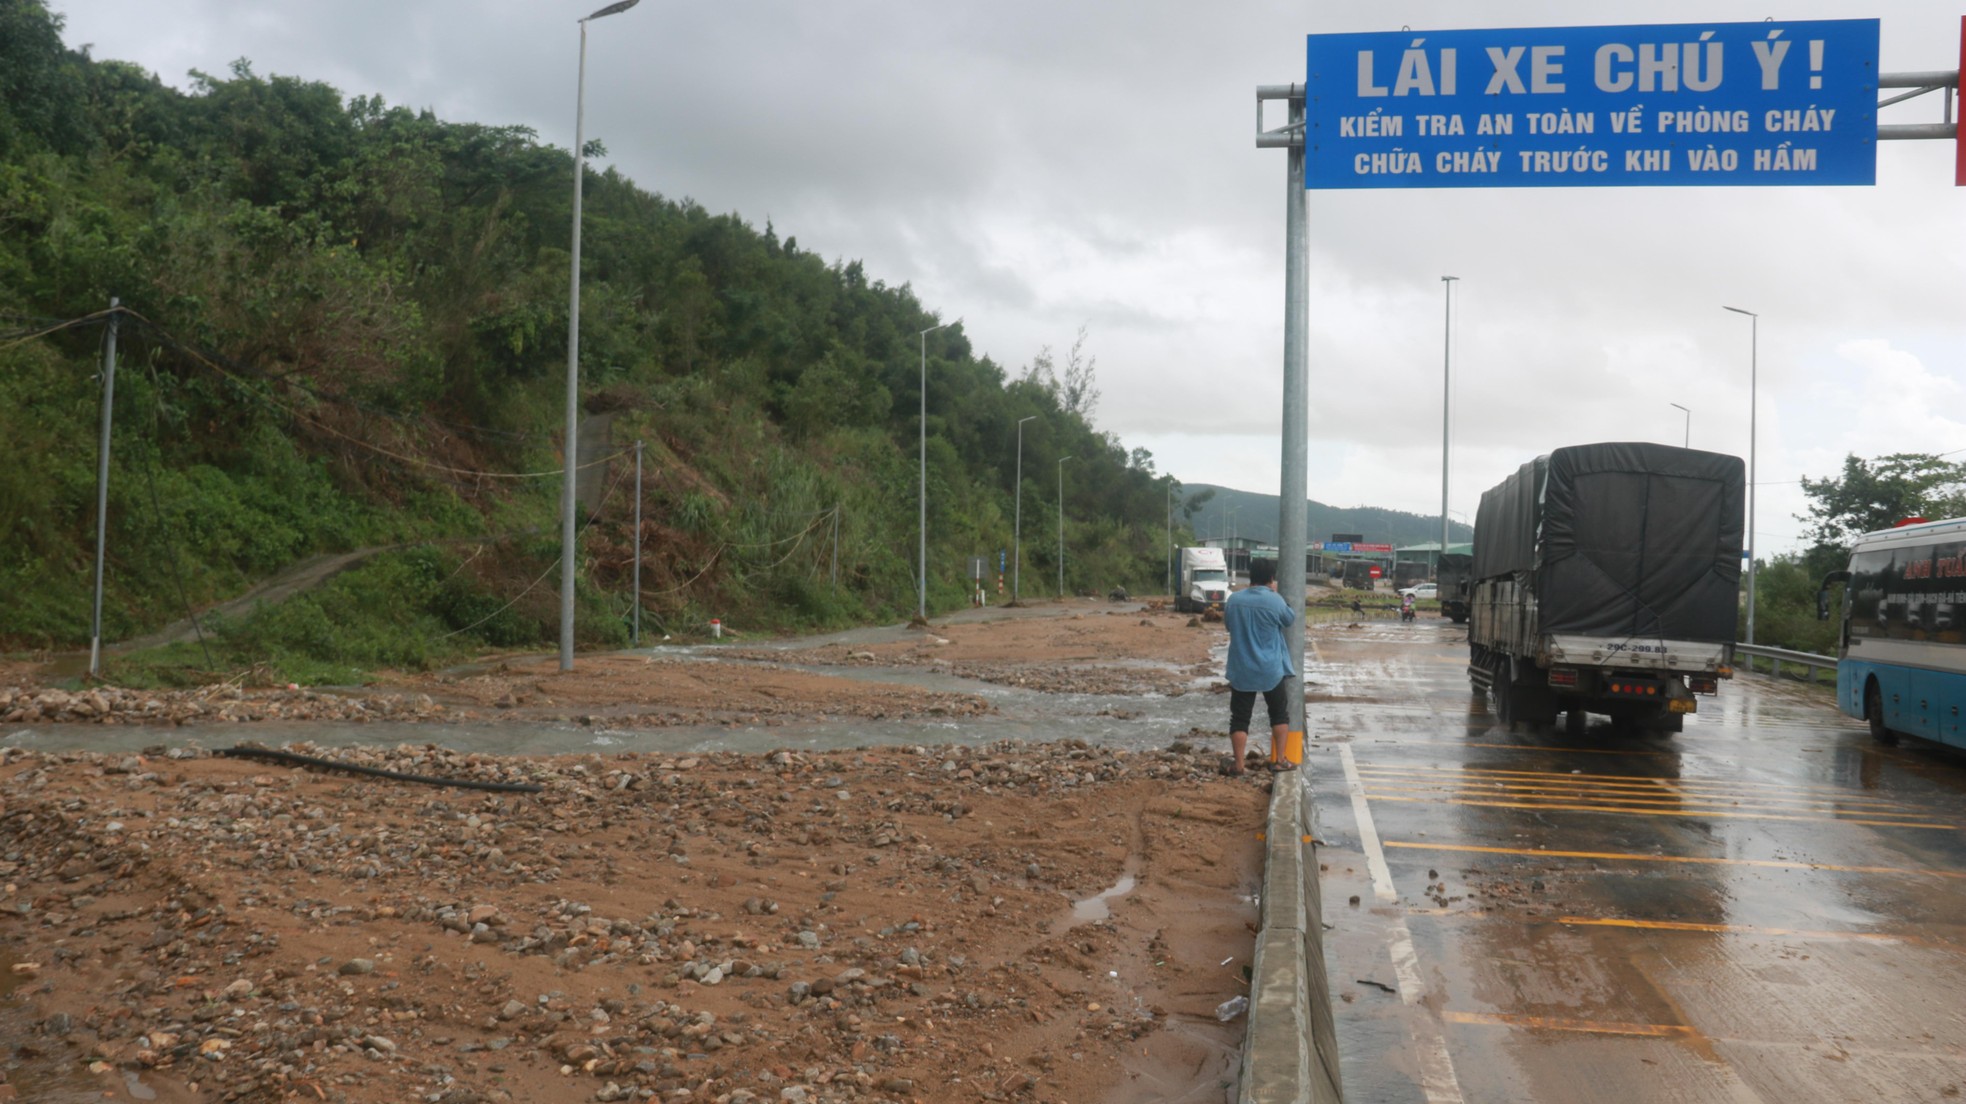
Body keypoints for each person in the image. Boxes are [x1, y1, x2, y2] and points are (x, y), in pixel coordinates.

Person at [1223, 557, 1296, 775]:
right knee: (1279, 715)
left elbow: (1228, 626)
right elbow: (1289, 619)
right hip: (1271, 670)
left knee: (1239, 718)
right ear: (1271, 578)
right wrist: (1277, 595)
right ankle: (1279, 760)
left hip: (1242, 669)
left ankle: (1238, 765)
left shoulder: (1234, 600)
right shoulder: (1275, 600)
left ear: (1250, 576)